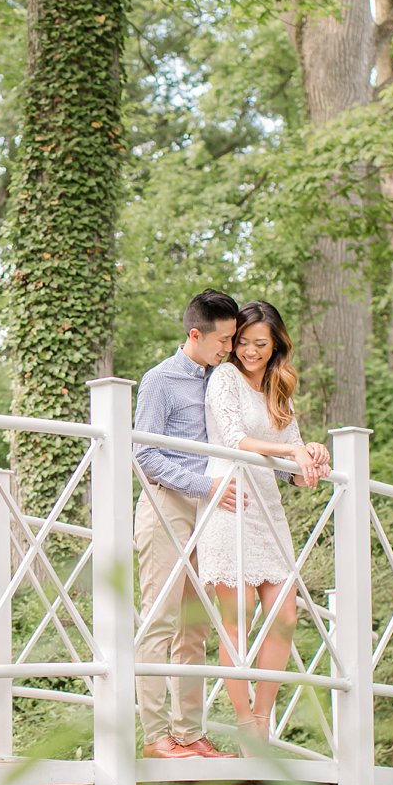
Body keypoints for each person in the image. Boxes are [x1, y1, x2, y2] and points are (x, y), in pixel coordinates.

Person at [196, 301, 330, 748]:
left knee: (285, 618)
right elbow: (234, 439)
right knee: (238, 620)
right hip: (231, 501)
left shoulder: (279, 389)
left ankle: (261, 718)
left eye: (261, 344)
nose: (250, 352)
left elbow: (292, 469)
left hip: (268, 511)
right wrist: (290, 453)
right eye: (244, 343)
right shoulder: (225, 378)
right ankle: (244, 721)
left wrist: (310, 453)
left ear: (276, 347)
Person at [132, 288, 244, 759]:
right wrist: (206, 487)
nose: (229, 349)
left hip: (209, 513)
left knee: (195, 629)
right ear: (194, 334)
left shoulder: (220, 380)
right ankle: (155, 738)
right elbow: (143, 454)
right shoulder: (159, 380)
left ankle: (188, 733)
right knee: (158, 621)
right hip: (167, 507)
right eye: (222, 341)